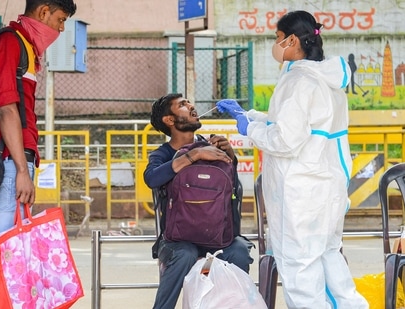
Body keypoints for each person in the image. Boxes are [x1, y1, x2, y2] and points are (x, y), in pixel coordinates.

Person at [216, 10, 368, 309]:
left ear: (292, 40)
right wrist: (247, 116)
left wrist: (249, 129)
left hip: (301, 192)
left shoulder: (300, 82)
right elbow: (290, 125)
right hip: (323, 186)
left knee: (300, 267)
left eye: (277, 39)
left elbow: (285, 139)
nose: (275, 45)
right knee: (327, 259)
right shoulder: (323, 79)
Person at [0, 0, 76, 307]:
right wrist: (21, 169)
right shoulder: (11, 43)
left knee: (15, 246)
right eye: (60, 20)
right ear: (43, 11)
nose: (61, 29)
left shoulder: (28, 48)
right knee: (5, 244)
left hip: (19, 158)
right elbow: (7, 108)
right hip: (12, 159)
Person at [144, 93, 254, 309]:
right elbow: (152, 178)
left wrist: (230, 156)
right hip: (177, 239)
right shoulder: (163, 154)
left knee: (239, 251)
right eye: (183, 105)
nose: (191, 106)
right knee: (185, 254)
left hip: (218, 235)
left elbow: (231, 186)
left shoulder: (211, 145)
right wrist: (193, 156)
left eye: (189, 102)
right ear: (169, 120)